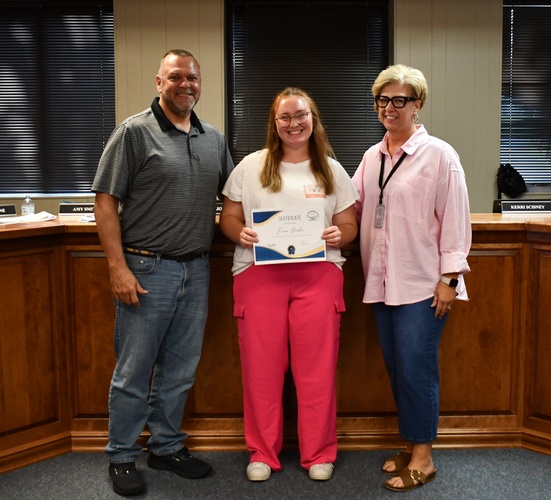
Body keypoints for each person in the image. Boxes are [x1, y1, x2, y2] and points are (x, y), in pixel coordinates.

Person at [92, 49, 234, 496]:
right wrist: (117, 267)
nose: (185, 85)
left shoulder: (212, 138)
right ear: (159, 82)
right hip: (145, 268)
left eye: (192, 78)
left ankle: (167, 446)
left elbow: (236, 196)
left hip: (196, 268)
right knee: (134, 369)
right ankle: (121, 455)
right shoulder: (133, 133)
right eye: (176, 77)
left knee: (180, 368)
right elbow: (105, 201)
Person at [220, 87, 358, 482]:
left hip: (319, 278)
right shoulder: (250, 166)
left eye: (300, 115)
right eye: (285, 117)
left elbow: (349, 224)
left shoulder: (331, 169)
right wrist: (240, 234)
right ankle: (262, 453)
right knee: (261, 370)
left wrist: (337, 235)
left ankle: (318, 453)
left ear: (312, 119)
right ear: (274, 122)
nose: (293, 123)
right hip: (258, 276)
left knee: (316, 371)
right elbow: (229, 217)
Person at [351, 64, 471, 492]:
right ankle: (413, 443)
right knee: (398, 367)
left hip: (425, 285)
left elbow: (457, 223)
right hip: (382, 282)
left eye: (399, 100)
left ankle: (424, 456)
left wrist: (449, 279)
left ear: (417, 104)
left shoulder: (440, 155)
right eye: (383, 100)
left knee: (418, 369)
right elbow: (353, 206)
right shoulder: (372, 156)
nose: (389, 108)